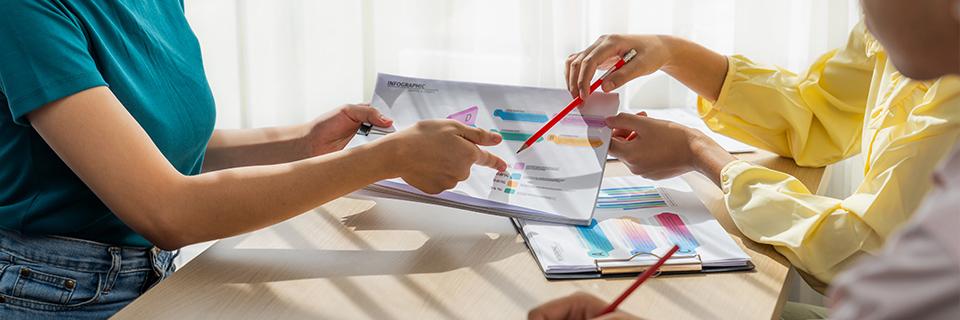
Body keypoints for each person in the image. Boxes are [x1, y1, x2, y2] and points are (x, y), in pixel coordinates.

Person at [0, 1, 506, 318]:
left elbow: (152, 147)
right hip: (51, 293)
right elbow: (166, 211)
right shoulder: (24, 11)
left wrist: (301, 142)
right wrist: (387, 158)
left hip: (150, 275)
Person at [530, 0, 960, 319]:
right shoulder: (926, 40)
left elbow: (862, 253)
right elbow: (820, 112)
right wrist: (671, 52)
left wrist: (699, 152)